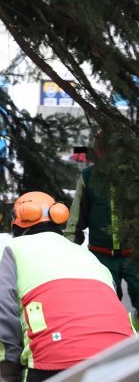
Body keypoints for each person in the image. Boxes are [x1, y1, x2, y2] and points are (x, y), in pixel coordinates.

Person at [0, 191, 134, 382]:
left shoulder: (13, 248)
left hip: (55, 360)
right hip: (121, 360)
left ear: (16, 223)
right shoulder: (86, 255)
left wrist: (9, 368)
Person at [64, 132, 139, 328]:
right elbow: (77, 217)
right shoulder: (88, 176)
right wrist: (67, 251)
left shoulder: (134, 174)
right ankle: (113, 345)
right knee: (106, 307)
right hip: (101, 257)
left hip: (135, 256)